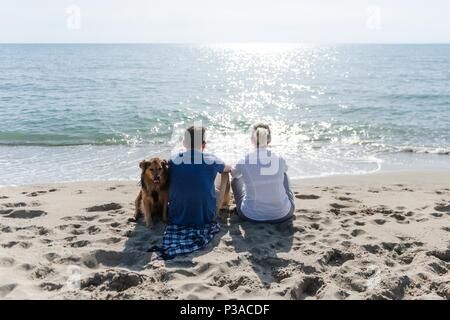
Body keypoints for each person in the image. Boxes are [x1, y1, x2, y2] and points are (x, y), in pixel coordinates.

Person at [149, 125, 231, 259]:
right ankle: (219, 208)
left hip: (176, 216)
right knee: (225, 174)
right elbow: (228, 168)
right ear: (203, 145)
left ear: (184, 143)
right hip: (205, 216)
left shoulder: (173, 159)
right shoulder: (211, 158)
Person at [231, 123, 295, 223]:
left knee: (235, 179)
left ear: (252, 140)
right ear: (269, 140)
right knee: (284, 174)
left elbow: (234, 174)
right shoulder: (279, 158)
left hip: (251, 216)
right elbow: (285, 170)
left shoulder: (244, 160)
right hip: (282, 214)